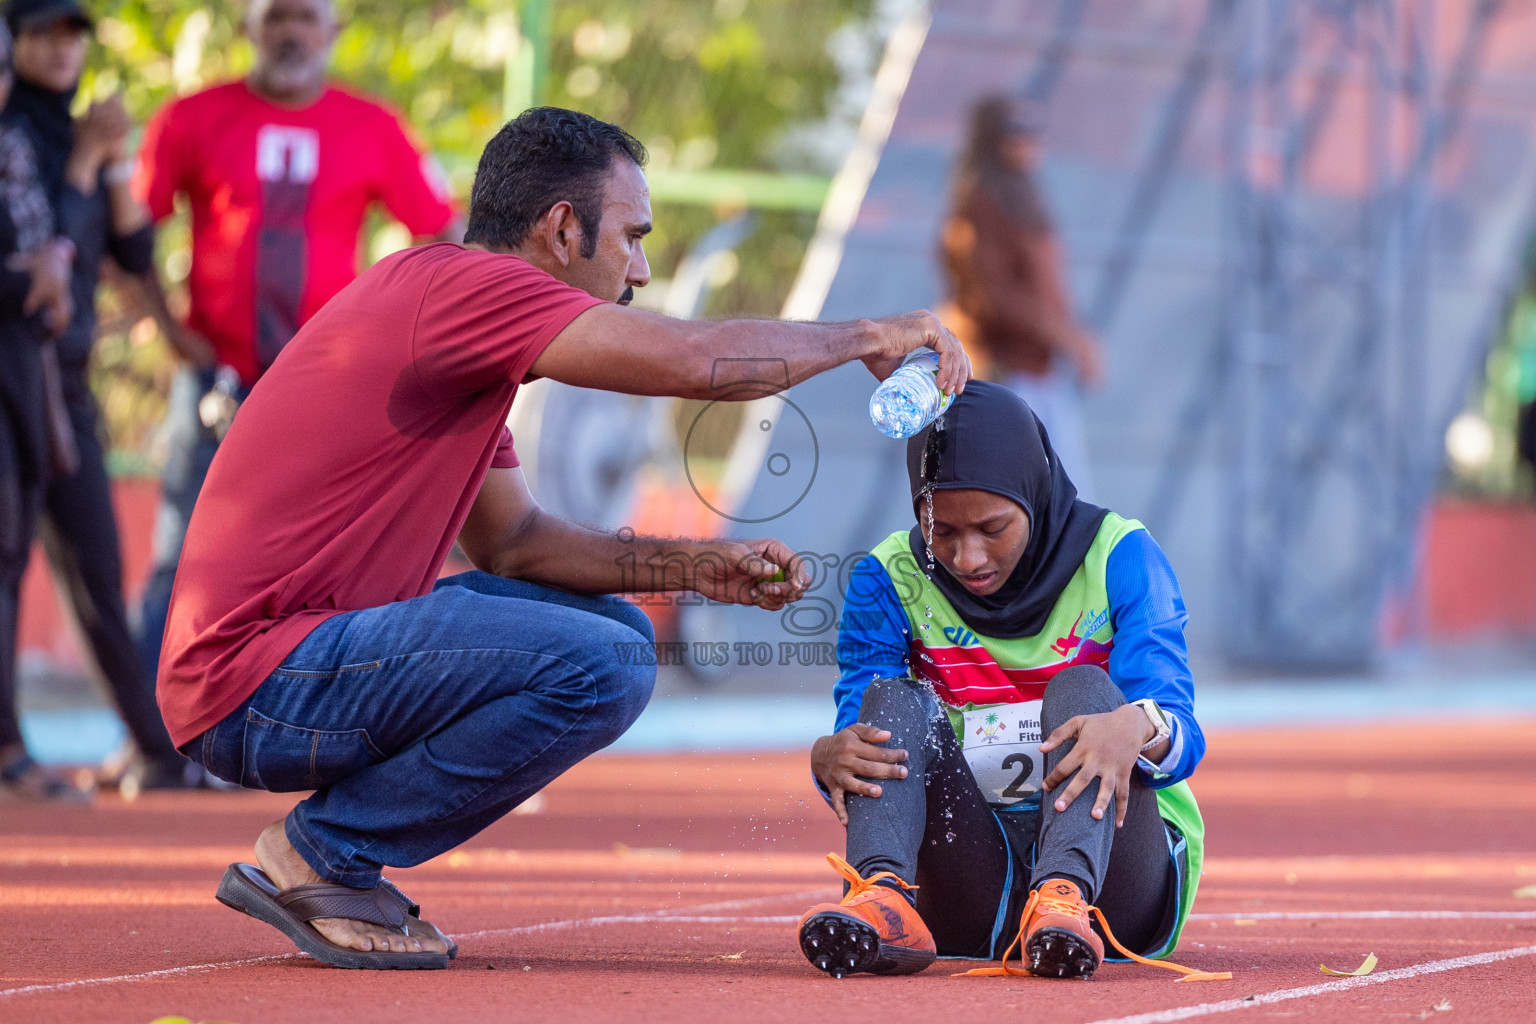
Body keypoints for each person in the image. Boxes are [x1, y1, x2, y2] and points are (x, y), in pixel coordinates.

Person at [161, 106, 971, 969]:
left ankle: (328, 852)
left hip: (289, 667)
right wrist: (868, 336)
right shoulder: (465, 289)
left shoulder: (457, 331)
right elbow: (699, 363)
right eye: (631, 236)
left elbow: (515, 545)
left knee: (620, 635)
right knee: (607, 663)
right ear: (560, 228)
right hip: (256, 684)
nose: (643, 269)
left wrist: (695, 568)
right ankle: (321, 856)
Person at [798, 381, 1223, 984]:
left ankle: (1061, 895)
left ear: (1035, 491)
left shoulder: (1120, 556)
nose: (968, 558)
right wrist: (829, 760)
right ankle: (886, 897)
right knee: (890, 701)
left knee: (1085, 690)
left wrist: (1138, 727)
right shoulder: (887, 578)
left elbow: (1184, 735)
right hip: (975, 882)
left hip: (1115, 891)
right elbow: (863, 751)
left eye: (991, 528)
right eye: (941, 532)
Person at [131, 0, 462, 685]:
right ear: (249, 29)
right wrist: (167, 329)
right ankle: (150, 741)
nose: (291, 32)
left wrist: (401, 341)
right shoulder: (190, 117)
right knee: (182, 551)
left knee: (330, 558)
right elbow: (130, 237)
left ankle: (309, 716)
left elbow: (444, 233)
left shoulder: (374, 126)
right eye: (276, 16)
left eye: (306, 17)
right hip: (217, 379)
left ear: (333, 32)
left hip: (327, 389)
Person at [2, 0, 195, 790]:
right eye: (43, 32)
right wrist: (84, 161)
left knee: (98, 562)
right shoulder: (15, 133)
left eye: (73, 35)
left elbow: (131, 246)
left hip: (67, 377)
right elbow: (49, 237)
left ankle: (156, 746)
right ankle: (9, 751)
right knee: (7, 560)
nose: (60, 49)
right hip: (15, 361)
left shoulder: (79, 132)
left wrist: (111, 165)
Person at [940, 94, 1104, 499]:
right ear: (993, 140)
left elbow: (1045, 287)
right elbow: (990, 298)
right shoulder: (978, 203)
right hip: (1002, 374)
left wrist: (1070, 337)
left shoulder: (1022, 195)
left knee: (1066, 499)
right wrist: (1066, 337)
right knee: (1019, 498)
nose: (1029, 142)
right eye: (1017, 133)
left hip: (1040, 368)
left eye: (1034, 132)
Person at [0, 16, 82, 799]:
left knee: (8, 558)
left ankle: (6, 744)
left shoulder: (19, 143)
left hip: (24, 377)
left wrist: (49, 264)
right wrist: (33, 274)